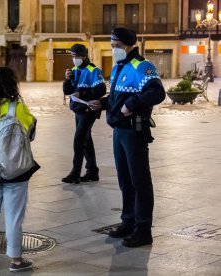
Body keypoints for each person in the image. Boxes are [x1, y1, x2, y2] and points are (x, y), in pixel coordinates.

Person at [88, 27, 165, 247]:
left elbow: (157, 93)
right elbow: (115, 99)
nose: (114, 50)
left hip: (134, 131)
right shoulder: (118, 67)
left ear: (129, 45)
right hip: (119, 131)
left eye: (118, 46)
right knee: (125, 180)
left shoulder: (142, 66)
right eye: (112, 46)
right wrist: (101, 104)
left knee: (140, 181)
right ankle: (128, 221)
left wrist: (132, 104)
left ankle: (143, 229)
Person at [0, 67, 39, 272]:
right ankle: (16, 260)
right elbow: (30, 131)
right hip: (13, 165)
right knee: (14, 215)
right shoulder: (16, 107)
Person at [62, 44, 106, 184]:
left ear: (85, 56)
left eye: (77, 56)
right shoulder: (73, 70)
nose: (75, 59)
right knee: (86, 141)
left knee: (79, 140)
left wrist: (81, 93)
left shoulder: (93, 70)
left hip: (89, 110)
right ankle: (92, 171)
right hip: (78, 109)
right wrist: (67, 80)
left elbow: (100, 90)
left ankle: (75, 173)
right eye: (73, 56)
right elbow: (67, 91)